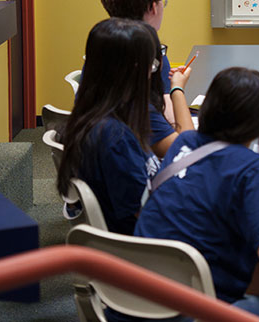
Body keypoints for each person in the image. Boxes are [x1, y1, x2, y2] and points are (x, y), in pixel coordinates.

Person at [134, 67, 259, 322]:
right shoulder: (253, 169)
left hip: (136, 297)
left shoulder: (184, 145)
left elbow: (207, 199)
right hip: (194, 311)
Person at [56, 18, 191, 235]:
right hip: (153, 244)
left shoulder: (96, 113)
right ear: (135, 70)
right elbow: (147, 215)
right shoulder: (115, 138)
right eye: (153, 65)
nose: (152, 72)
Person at [99, 0, 193, 157]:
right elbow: (186, 149)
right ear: (153, 7)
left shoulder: (102, 51)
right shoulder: (135, 104)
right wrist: (178, 89)